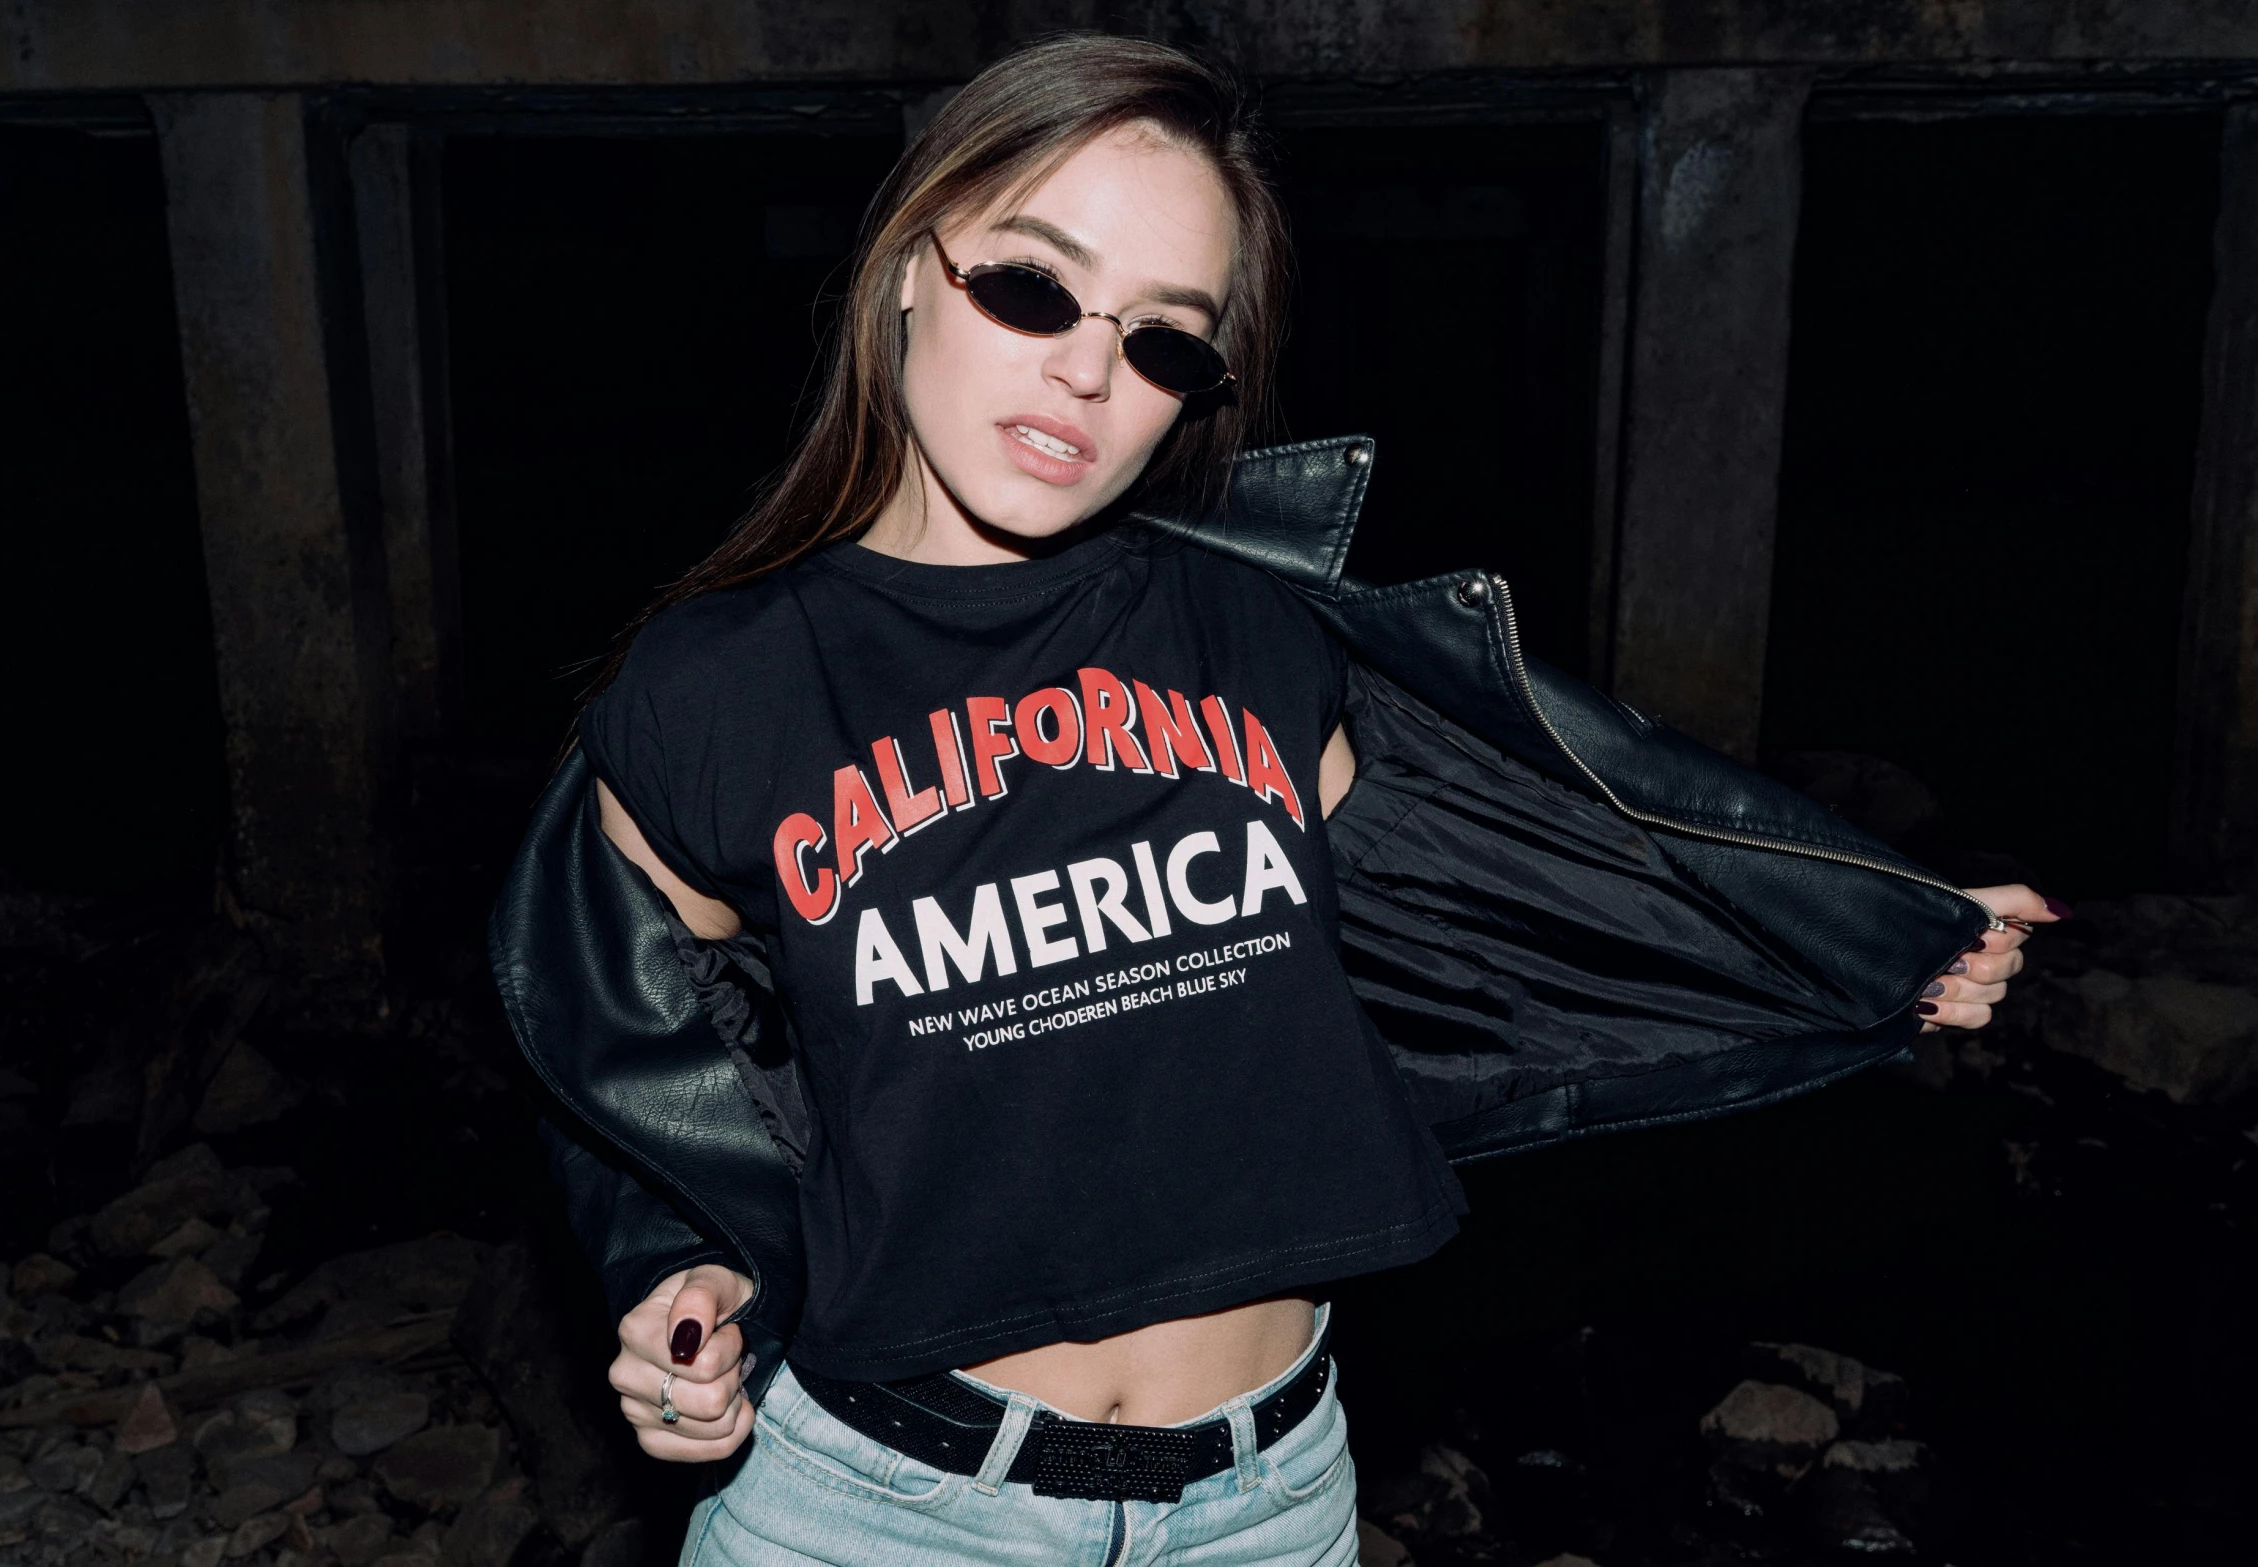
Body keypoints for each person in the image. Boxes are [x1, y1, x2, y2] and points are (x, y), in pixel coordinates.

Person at [490, 32, 2055, 1567]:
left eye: (1163, 337)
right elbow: (627, 1041)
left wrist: (1868, 926)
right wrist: (677, 1276)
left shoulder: (1257, 631)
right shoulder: (715, 683)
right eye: (1032, 286)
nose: (1090, 369)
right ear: (909, 263)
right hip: (883, 1509)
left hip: (1268, 1500)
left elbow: (1531, 897)